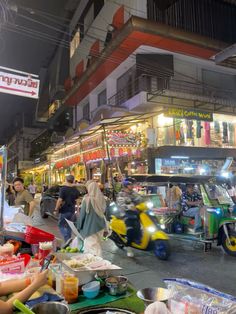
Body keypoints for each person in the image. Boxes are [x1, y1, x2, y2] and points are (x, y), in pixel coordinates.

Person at [77, 181, 107, 257]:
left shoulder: (87, 199)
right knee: (97, 244)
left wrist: (79, 226)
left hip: (90, 227)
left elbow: (82, 215)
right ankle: (99, 262)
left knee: (90, 246)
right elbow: (105, 212)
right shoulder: (102, 198)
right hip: (100, 226)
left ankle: (95, 263)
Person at [116, 177, 142, 257]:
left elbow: (140, 199)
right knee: (130, 229)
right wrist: (129, 207)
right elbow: (121, 205)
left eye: (133, 184)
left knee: (141, 227)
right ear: (126, 185)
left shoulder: (134, 193)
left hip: (135, 213)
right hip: (125, 214)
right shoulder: (121, 194)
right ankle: (128, 246)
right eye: (131, 184)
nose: (133, 186)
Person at [54, 175, 81, 242]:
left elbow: (60, 200)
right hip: (72, 211)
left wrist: (56, 209)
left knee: (61, 225)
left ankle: (67, 238)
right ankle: (69, 240)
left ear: (66, 180)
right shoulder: (76, 190)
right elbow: (78, 201)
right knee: (69, 226)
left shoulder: (63, 189)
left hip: (64, 210)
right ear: (73, 180)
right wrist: (77, 211)